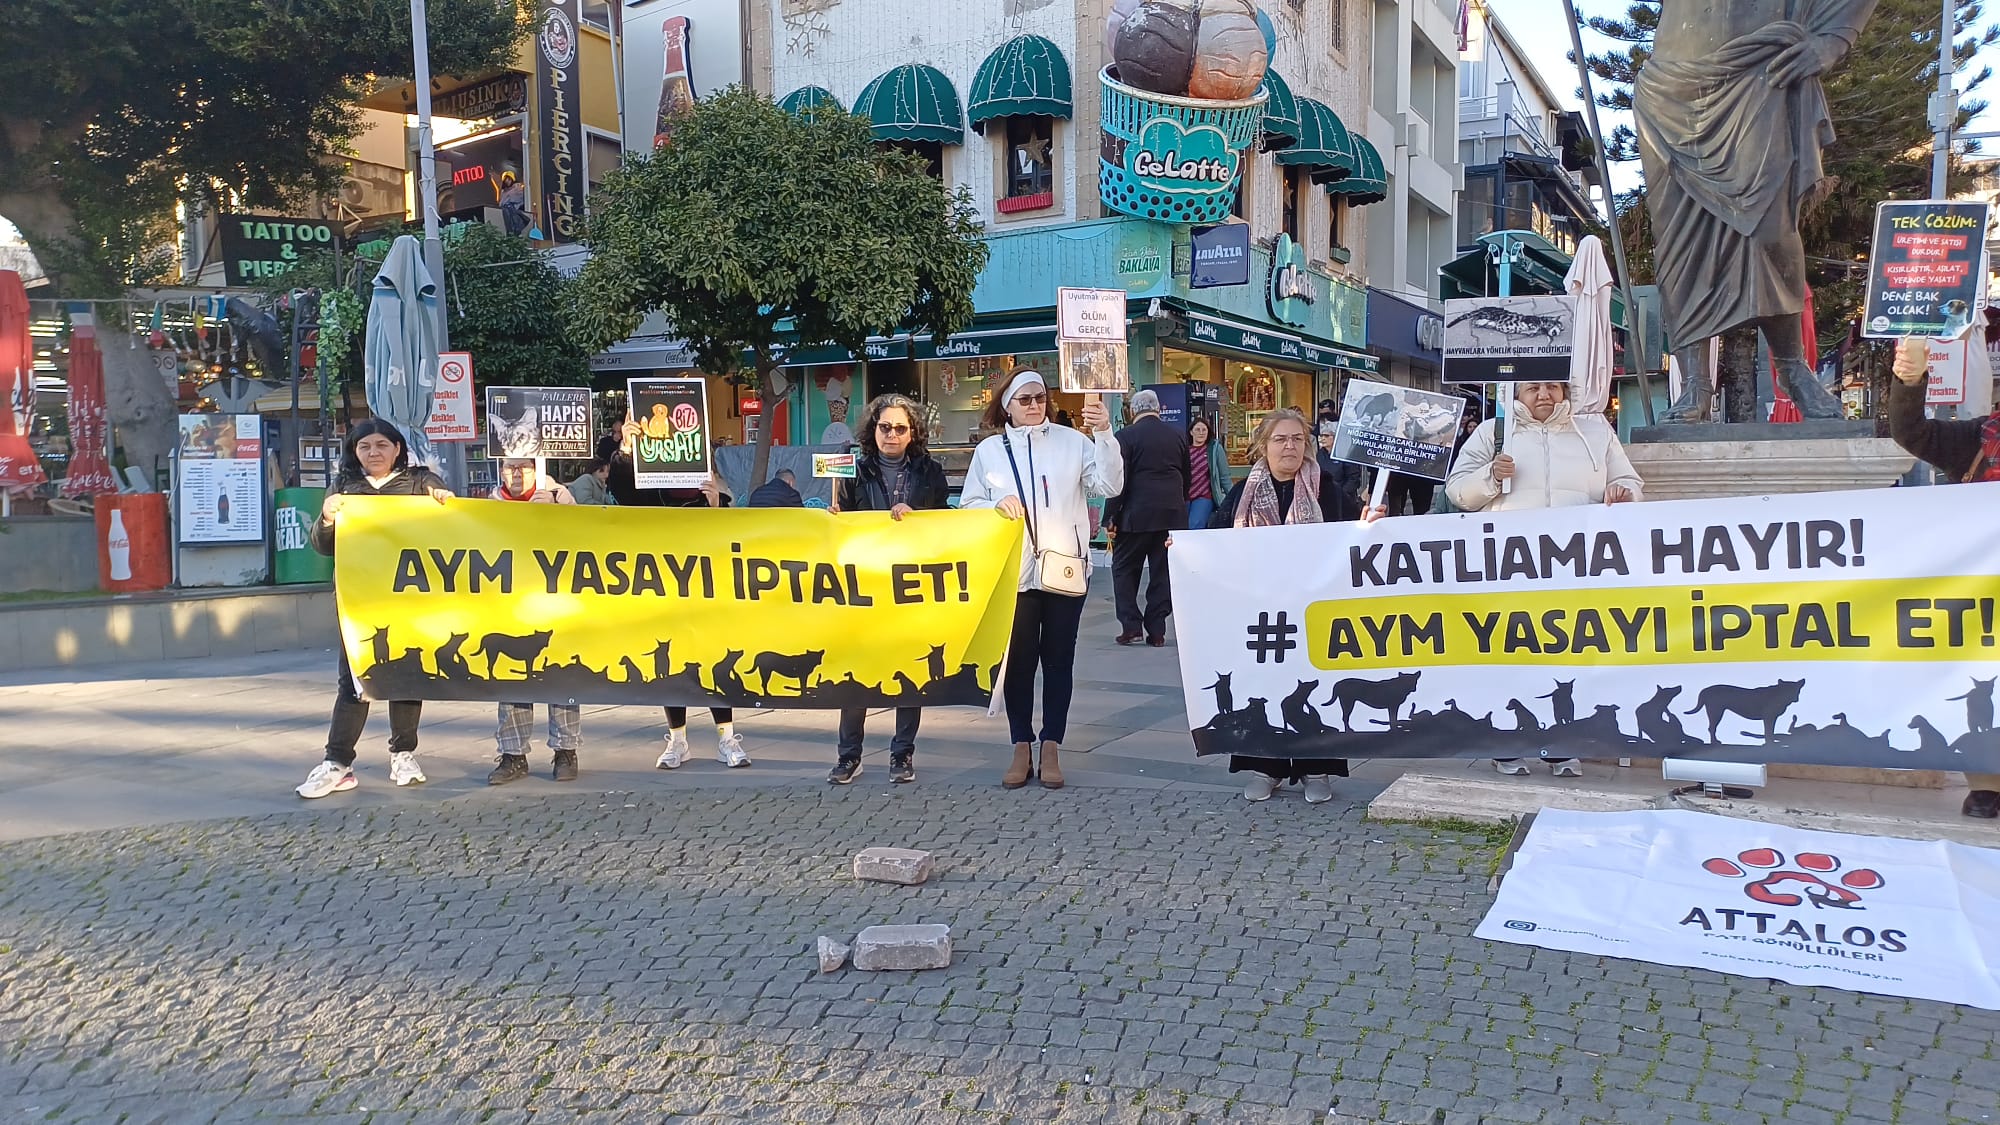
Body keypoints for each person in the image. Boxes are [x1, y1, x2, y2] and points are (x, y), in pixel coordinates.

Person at [1446, 380, 1642, 777]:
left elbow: (1629, 482)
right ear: (1516, 394)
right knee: (1510, 657)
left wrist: (1622, 494)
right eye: (1533, 387)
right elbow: (1457, 492)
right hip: (1508, 571)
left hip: (1576, 569)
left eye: (1552, 386)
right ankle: (1507, 744)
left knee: (1568, 658)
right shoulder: (1493, 433)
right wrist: (1490, 476)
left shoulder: (1596, 432)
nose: (1544, 394)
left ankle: (1561, 745)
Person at [960, 370, 1124, 790]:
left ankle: (1051, 744)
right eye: (1025, 399)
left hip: (1063, 569)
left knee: (1058, 660)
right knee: (1017, 663)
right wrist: (995, 504)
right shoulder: (990, 451)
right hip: (1013, 575)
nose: (1034, 405)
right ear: (1007, 405)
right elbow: (969, 504)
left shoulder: (1072, 442)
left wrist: (1104, 434)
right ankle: (1021, 744)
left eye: (1040, 397)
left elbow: (1109, 484)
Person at [1208, 408, 1364, 805]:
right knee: (1264, 686)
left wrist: (1372, 521)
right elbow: (1215, 538)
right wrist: (1184, 549)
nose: (1289, 446)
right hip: (1263, 612)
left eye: (1297, 439)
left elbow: (1356, 532)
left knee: (1313, 688)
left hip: (1314, 610)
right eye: (1280, 439)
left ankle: (1316, 768)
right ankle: (1268, 767)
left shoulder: (1326, 488)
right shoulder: (1242, 493)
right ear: (1264, 445)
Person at [296, 420, 453, 799]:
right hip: (360, 602)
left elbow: (450, 525)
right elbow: (323, 546)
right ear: (354, 451)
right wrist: (327, 518)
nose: (374, 453)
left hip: (409, 599)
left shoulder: (418, 483)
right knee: (354, 679)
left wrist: (444, 500)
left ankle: (403, 753)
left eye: (382, 445)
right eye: (365, 446)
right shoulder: (344, 488)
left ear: (397, 448)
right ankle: (337, 762)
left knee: (406, 676)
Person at [1887, 337, 2000, 819]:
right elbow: (1912, 432)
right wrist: (1910, 380)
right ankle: (1988, 783)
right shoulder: (1980, 438)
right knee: (1986, 687)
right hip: (1985, 596)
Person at [610, 418, 750, 770]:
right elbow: (622, 490)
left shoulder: (716, 496)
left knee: (714, 664)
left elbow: (731, 544)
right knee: (670, 667)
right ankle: (677, 740)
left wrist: (716, 509)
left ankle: (726, 738)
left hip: (706, 596)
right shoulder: (650, 494)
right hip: (664, 594)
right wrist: (626, 449)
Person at [828, 393, 952, 785]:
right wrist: (834, 517)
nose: (892, 435)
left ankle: (902, 753)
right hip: (863, 584)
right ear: (873, 429)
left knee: (909, 671)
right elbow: (840, 523)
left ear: (913, 432)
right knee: (857, 672)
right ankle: (849, 755)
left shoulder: (930, 472)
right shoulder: (854, 470)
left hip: (911, 585)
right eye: (885, 427)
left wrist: (919, 519)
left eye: (900, 428)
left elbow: (947, 523)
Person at [484, 459, 583, 785]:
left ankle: (566, 750)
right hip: (511, 603)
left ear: (537, 469)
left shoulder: (560, 497)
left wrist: (557, 513)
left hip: (557, 600)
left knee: (559, 675)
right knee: (514, 678)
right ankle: (513, 754)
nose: (516, 474)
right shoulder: (489, 504)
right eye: (509, 467)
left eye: (524, 467)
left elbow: (586, 539)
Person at [1103, 388, 1188, 647]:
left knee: (1124, 570)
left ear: (1132, 411)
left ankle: (1131, 626)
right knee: (1163, 573)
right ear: (1158, 409)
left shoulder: (1125, 436)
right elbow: (1187, 476)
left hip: (1136, 514)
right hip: (1172, 513)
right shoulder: (1177, 435)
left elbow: (1118, 481)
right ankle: (1157, 629)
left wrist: (1110, 516)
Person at [1186, 416, 1228, 531]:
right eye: (1197, 430)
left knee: (1194, 526)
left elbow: (1224, 476)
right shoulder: (1185, 450)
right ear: (1191, 432)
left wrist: (1231, 497)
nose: (1201, 433)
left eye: (1204, 430)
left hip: (1204, 495)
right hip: (1185, 496)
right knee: (1182, 527)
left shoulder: (1215, 449)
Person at [1314, 421, 1367, 510]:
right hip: (1324, 499)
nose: (1322, 439)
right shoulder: (1319, 455)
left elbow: (1353, 478)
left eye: (1326, 436)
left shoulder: (1346, 454)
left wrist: (1341, 494)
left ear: (1335, 436)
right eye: (1321, 436)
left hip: (1344, 500)